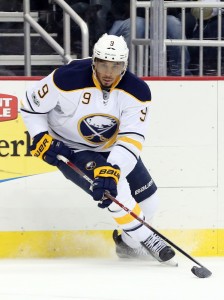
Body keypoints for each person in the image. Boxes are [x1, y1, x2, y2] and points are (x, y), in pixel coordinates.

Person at [20, 33, 175, 263]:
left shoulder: (138, 92)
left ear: (125, 65)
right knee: (114, 191)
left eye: (115, 65)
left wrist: (113, 166)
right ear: (94, 60)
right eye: (103, 64)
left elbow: (132, 139)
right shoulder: (65, 79)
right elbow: (31, 108)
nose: (108, 72)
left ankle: (128, 247)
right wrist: (40, 135)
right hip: (71, 149)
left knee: (150, 201)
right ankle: (150, 239)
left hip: (114, 148)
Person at [107, 0, 192, 76]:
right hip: (124, 20)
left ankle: (180, 72)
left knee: (172, 22)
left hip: (159, 19)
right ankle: (130, 73)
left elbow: (178, 8)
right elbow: (119, 8)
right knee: (138, 24)